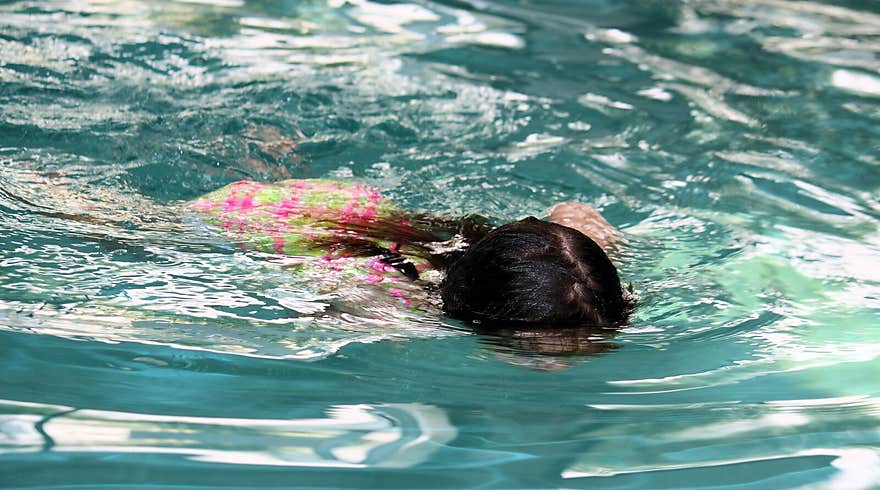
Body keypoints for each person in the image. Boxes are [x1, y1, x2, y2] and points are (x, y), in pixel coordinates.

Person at [186, 178, 634, 329]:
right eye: (537, 350)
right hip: (235, 223)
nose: (556, 367)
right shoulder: (387, 299)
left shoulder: (584, 284)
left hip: (356, 209)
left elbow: (572, 214)